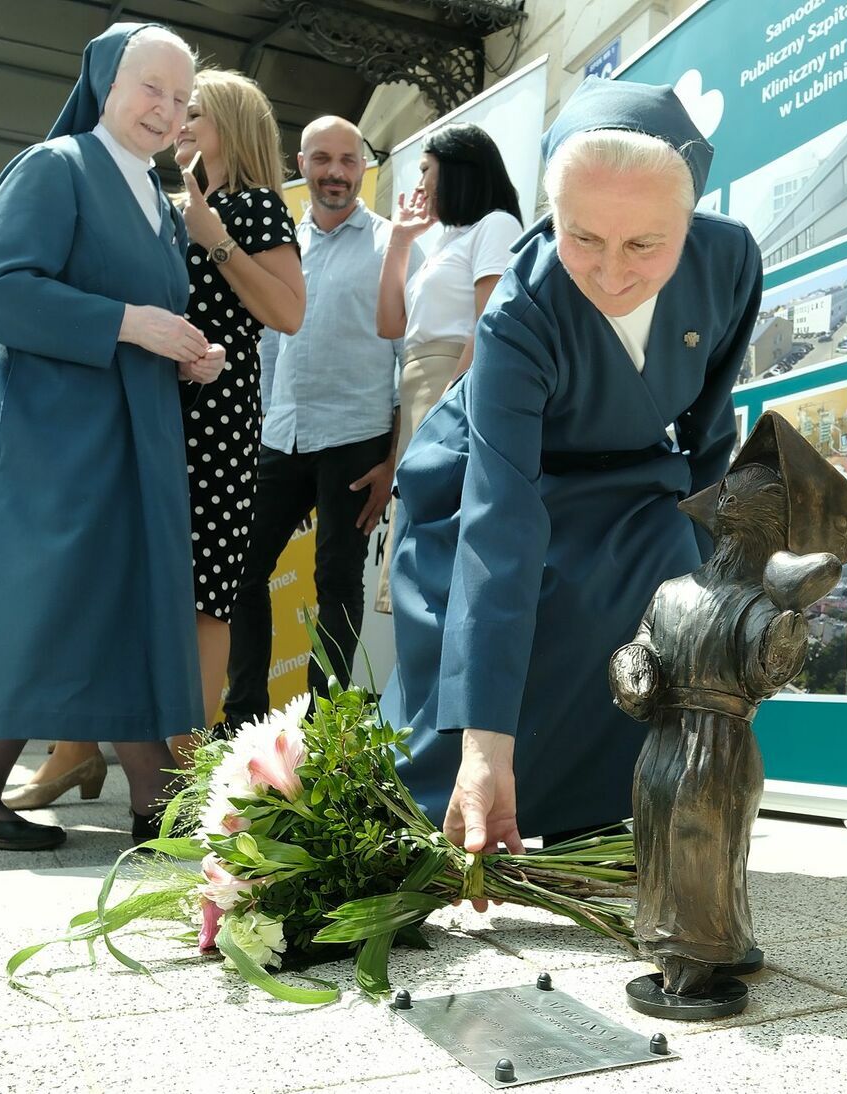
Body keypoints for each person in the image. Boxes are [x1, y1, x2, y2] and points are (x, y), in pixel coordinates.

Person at [381, 77, 763, 862]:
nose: (612, 275)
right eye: (582, 238)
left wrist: (715, 571)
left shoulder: (730, 261)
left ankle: (615, 804)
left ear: (689, 221)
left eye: (645, 245)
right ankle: (469, 799)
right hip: (485, 473)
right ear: (551, 215)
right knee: (517, 603)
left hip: (626, 468)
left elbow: (708, 429)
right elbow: (500, 524)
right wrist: (484, 749)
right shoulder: (520, 312)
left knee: (668, 569)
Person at [0, 23, 223, 851]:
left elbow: (146, 318)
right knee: (64, 595)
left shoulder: (154, 198)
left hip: (122, 423)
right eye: (150, 87)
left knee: (97, 595)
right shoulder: (56, 167)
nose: (166, 109)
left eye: (181, 98)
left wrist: (186, 351)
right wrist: (131, 323)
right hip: (53, 427)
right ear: (104, 84)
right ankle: (151, 793)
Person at [2, 68, 305, 808]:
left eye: (193, 111)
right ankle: (78, 751)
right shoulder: (162, 209)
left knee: (202, 598)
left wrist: (217, 239)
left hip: (218, 417)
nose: (177, 121)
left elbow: (289, 313)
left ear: (230, 124)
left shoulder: (254, 208)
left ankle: (187, 776)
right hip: (146, 411)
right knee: (117, 587)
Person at [221, 116, 421, 729]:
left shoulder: (395, 245)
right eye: (323, 159)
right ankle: (243, 722)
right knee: (240, 573)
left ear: (364, 168)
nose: (336, 172)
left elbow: (408, 360)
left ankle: (318, 731)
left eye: (349, 160)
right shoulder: (282, 244)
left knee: (336, 583)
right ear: (302, 164)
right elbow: (271, 347)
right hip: (279, 435)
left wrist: (393, 459)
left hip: (358, 437)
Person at [373, 122, 523, 611]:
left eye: (425, 170)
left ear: (457, 170)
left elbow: (488, 325)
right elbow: (389, 322)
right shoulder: (446, 243)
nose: (418, 185)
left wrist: (448, 406)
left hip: (449, 387)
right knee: (416, 543)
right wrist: (400, 240)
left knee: (441, 538)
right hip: (419, 386)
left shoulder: (495, 225)